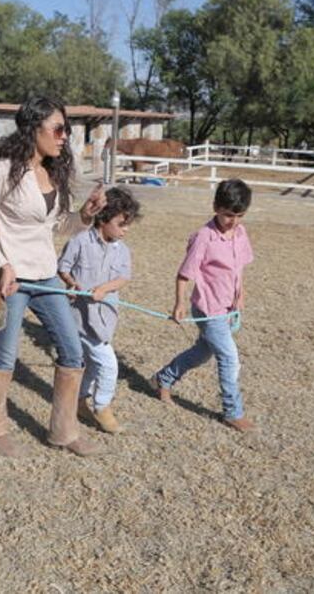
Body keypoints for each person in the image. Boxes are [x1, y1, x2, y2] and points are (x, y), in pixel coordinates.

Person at [0, 95, 107, 458]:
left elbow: (59, 226)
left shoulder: (53, 172)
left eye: (66, 130)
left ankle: (64, 431)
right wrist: (2, 265)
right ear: (32, 129)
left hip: (46, 276)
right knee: (5, 354)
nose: (64, 137)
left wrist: (85, 215)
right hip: (13, 280)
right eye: (58, 129)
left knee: (73, 353)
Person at [149, 178, 257, 433]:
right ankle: (233, 412)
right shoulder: (203, 237)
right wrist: (179, 304)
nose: (234, 221)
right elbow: (185, 273)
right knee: (229, 358)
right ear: (216, 207)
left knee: (202, 352)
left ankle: (162, 379)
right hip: (208, 309)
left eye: (240, 215)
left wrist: (240, 294)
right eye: (229, 215)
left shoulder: (240, 233)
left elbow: (239, 266)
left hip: (228, 307)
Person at [57, 187, 141, 435]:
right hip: (81, 318)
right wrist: (71, 283)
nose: (125, 230)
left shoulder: (122, 250)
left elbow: (124, 276)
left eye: (128, 225)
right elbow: (63, 267)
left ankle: (80, 401)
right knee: (108, 365)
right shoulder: (80, 241)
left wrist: (105, 288)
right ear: (103, 219)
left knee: (93, 365)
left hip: (105, 318)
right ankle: (102, 406)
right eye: (121, 224)